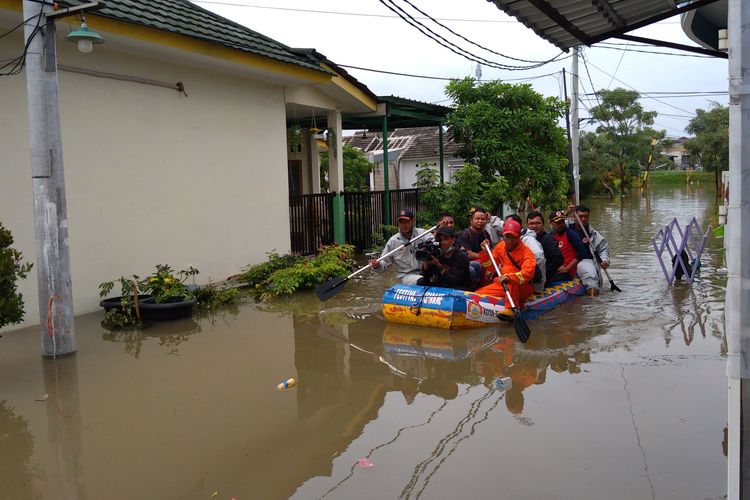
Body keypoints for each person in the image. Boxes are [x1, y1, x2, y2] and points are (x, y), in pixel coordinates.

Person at [475, 220, 536, 319]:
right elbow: (491, 267)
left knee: (508, 269)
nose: (510, 241)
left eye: (514, 238)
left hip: (522, 287)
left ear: (519, 236)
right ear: (503, 235)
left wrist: (509, 277)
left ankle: (511, 309)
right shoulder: (500, 246)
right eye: (507, 237)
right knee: (478, 294)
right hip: (505, 284)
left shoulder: (527, 253)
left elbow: (528, 274)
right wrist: (485, 252)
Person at [369, 208, 432, 285]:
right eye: (401, 221)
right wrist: (377, 265)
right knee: (423, 281)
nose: (403, 224)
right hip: (407, 276)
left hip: (427, 271)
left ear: (413, 221)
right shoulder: (393, 241)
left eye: (406, 221)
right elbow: (384, 263)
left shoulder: (423, 234)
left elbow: (438, 244)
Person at [567, 204, 610, 295]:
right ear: (574, 217)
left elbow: (603, 250)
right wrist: (566, 213)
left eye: (586, 216)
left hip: (584, 262)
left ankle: (592, 305)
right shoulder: (565, 228)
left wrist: (605, 260)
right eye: (580, 216)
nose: (583, 219)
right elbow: (556, 221)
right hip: (566, 261)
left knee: (591, 279)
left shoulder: (594, 234)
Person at [506, 214, 546, 293]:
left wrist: (537, 286)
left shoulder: (528, 239)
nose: (505, 226)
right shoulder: (506, 240)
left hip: (521, 282)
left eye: (508, 224)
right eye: (505, 224)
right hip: (510, 278)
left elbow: (539, 258)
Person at [547, 210, 589, 284]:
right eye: (558, 222)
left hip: (568, 272)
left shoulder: (570, 234)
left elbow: (582, 252)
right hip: (555, 270)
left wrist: (567, 268)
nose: (561, 224)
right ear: (550, 223)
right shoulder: (549, 235)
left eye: (562, 221)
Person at [526, 211, 564, 287]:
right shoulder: (524, 238)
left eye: (537, 223)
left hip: (544, 277)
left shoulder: (548, 239)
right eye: (531, 223)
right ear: (527, 225)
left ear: (543, 225)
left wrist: (544, 270)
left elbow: (559, 259)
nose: (534, 226)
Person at [458, 207, 492, 285]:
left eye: (482, 219)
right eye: (477, 219)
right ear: (471, 220)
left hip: (482, 260)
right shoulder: (465, 234)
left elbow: (491, 250)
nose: (480, 221)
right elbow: (469, 254)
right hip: (469, 263)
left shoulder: (485, 233)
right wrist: (484, 256)